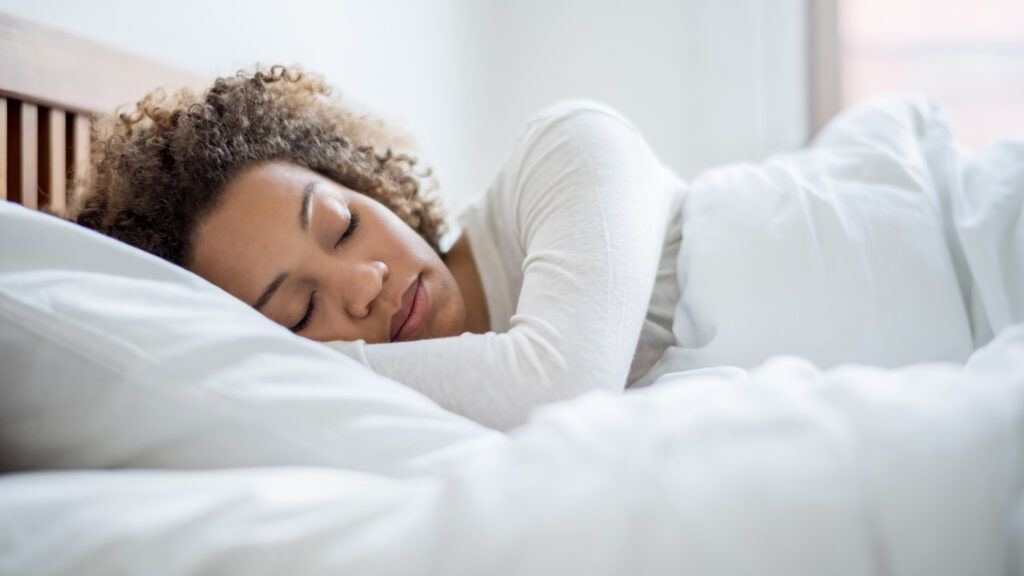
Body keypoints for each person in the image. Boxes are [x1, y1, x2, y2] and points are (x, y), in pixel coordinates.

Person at [69, 65, 685, 430]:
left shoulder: (567, 147)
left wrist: (291, 364)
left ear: (365, 184)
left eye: (343, 226)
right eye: (301, 314)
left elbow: (560, 386)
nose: (364, 283)